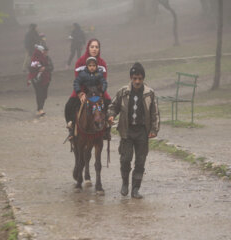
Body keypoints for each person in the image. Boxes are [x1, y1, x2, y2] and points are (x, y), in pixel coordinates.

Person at [107, 62, 160, 199]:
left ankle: (136, 189)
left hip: (142, 131)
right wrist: (111, 115)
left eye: (140, 78)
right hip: (127, 130)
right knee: (125, 159)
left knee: (140, 161)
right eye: (134, 78)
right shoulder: (123, 92)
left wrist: (154, 129)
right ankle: (125, 183)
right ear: (131, 78)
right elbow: (113, 106)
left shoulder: (149, 93)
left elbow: (155, 113)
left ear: (143, 79)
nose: (137, 81)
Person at [64, 38, 112, 140]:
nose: (94, 49)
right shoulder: (80, 62)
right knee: (69, 106)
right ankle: (72, 130)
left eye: (97, 47)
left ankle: (107, 128)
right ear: (88, 48)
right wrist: (81, 94)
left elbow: (103, 80)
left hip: (97, 91)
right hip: (82, 90)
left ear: (99, 49)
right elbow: (78, 80)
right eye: (92, 47)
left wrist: (100, 92)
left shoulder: (102, 63)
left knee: (109, 103)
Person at [27, 44, 53, 117]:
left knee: (44, 95)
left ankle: (40, 108)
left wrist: (45, 68)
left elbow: (51, 67)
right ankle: (40, 109)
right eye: (44, 51)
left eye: (46, 51)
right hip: (36, 79)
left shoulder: (48, 59)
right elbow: (29, 67)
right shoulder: (34, 59)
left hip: (46, 79)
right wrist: (37, 68)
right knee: (39, 93)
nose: (45, 53)